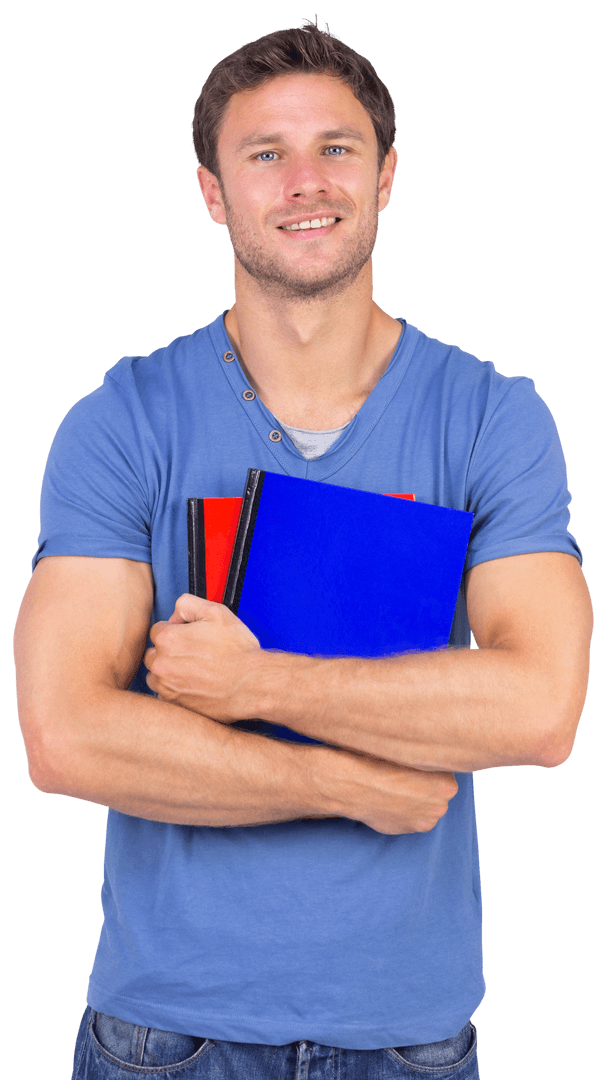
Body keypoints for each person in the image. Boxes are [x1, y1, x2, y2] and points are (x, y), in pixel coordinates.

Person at [14, 20, 592, 1080]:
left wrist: (253, 683)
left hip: (409, 1037)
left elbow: (539, 710)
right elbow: (65, 738)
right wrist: (346, 783)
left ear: (384, 179)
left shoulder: (488, 416)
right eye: (263, 154)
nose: (303, 180)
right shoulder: (124, 419)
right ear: (212, 193)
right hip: (164, 1037)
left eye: (336, 147)